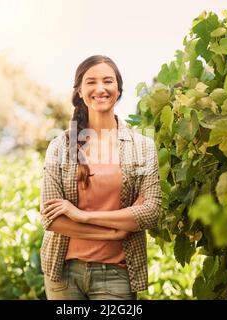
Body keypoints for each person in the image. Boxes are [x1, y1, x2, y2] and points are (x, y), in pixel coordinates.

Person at [40, 55, 161, 300]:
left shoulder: (142, 147)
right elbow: (51, 219)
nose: (100, 88)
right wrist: (113, 231)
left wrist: (83, 216)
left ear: (118, 89)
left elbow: (151, 211)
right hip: (63, 274)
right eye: (91, 82)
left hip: (117, 274)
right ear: (80, 91)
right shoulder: (60, 146)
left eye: (108, 81)